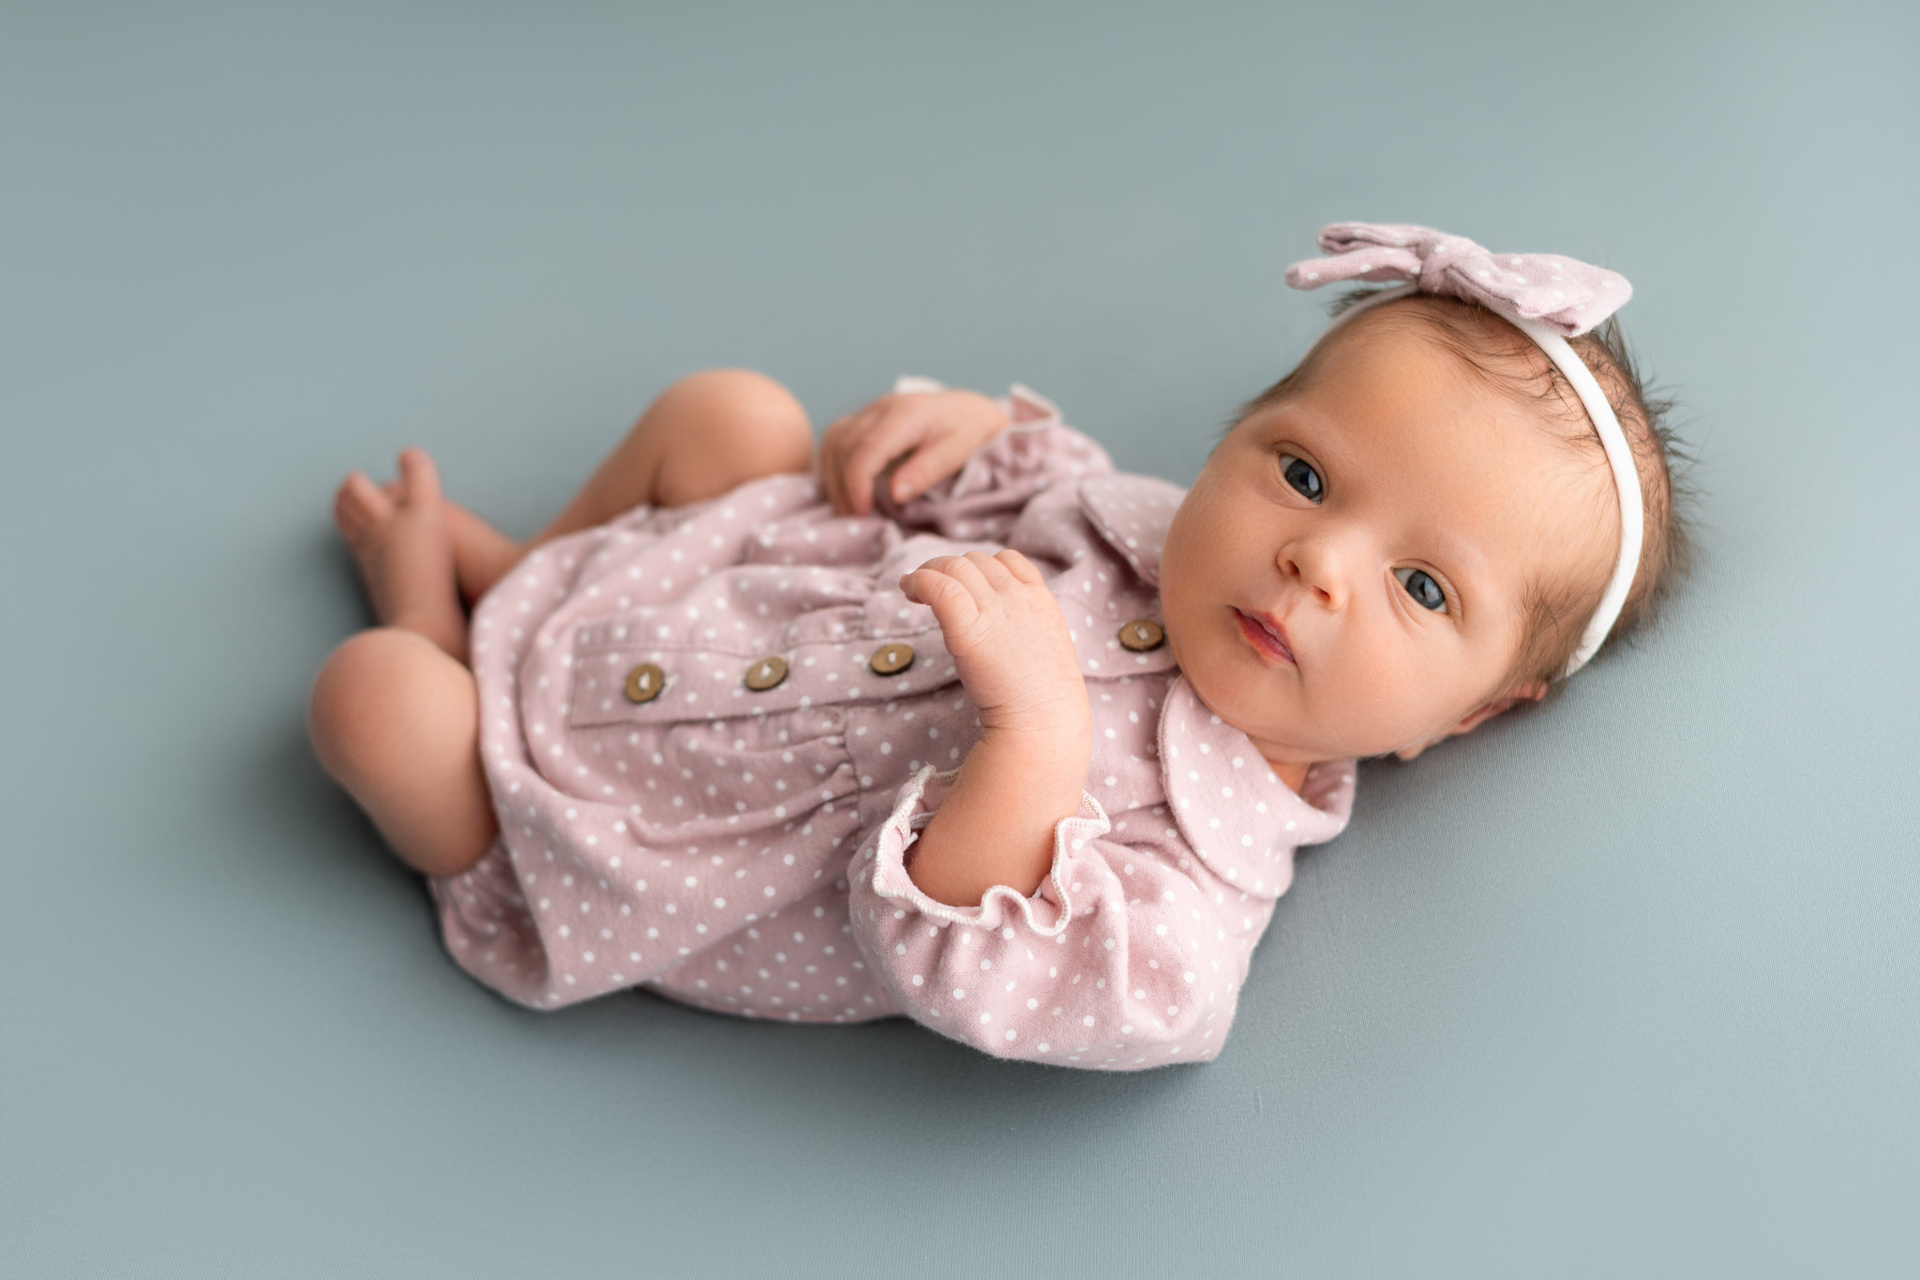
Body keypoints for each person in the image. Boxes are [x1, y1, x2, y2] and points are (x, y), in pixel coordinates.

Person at [309, 223, 1686, 1070]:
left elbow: (963, 958)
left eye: (1422, 588)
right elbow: (1014, 486)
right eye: (1305, 476)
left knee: (374, 700)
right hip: (732, 602)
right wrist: (966, 431)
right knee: (731, 414)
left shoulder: (1189, 895)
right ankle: (524, 570)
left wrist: (1033, 741)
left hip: (632, 833)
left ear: (1473, 714)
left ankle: (434, 627)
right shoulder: (1139, 529)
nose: (1317, 561)